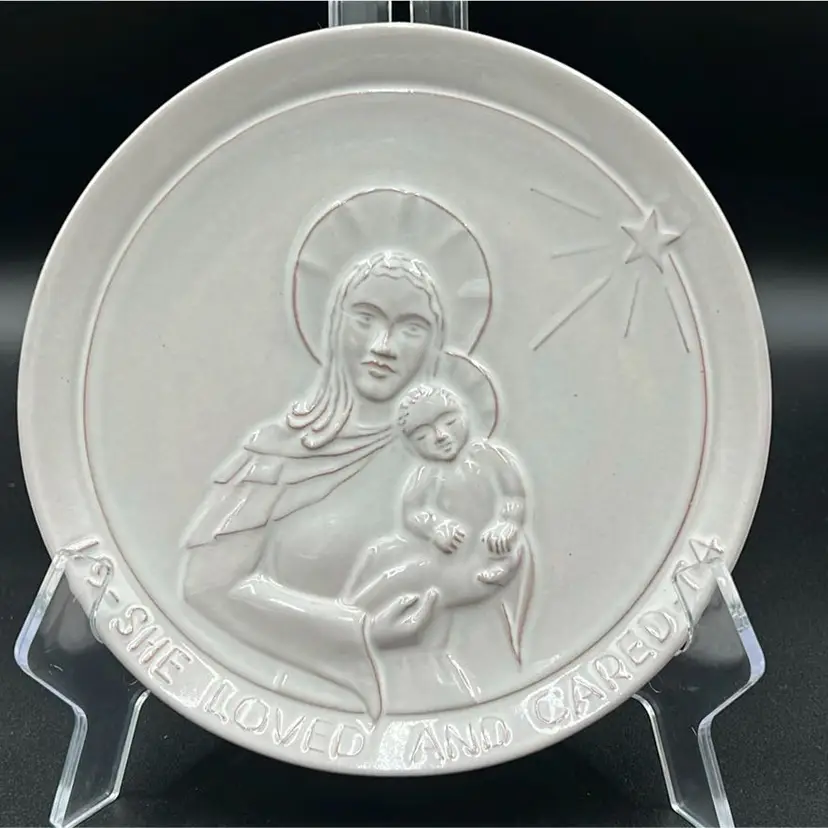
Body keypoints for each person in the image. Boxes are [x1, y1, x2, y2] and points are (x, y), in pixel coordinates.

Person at [179, 252, 523, 718]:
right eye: (365, 318)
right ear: (334, 325)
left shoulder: (449, 456)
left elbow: (495, 550)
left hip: (444, 694)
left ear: (434, 344)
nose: (384, 345)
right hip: (301, 700)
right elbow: (206, 586)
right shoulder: (277, 454)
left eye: (411, 328)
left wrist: (480, 572)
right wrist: (358, 630)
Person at [344, 384, 534, 674]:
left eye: (449, 421)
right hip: (447, 554)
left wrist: (506, 523)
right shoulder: (426, 473)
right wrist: (436, 526)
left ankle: (348, 624)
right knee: (378, 554)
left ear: (465, 414)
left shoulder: (491, 458)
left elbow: (514, 496)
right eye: (423, 435)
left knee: (406, 575)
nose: (441, 436)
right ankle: (346, 619)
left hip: (486, 556)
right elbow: (413, 512)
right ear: (412, 445)